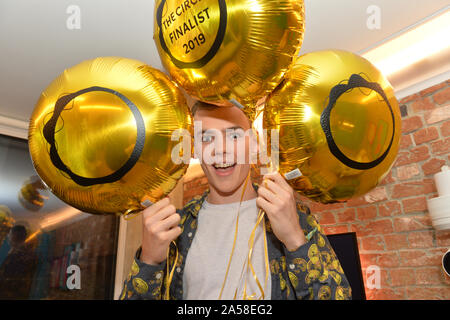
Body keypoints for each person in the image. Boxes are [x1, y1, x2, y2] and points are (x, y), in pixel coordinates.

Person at [120, 101, 351, 300]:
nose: (220, 150)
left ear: (255, 144)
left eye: (234, 135)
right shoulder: (175, 228)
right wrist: (149, 260)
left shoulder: (295, 216)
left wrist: (294, 239)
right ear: (193, 148)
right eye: (206, 137)